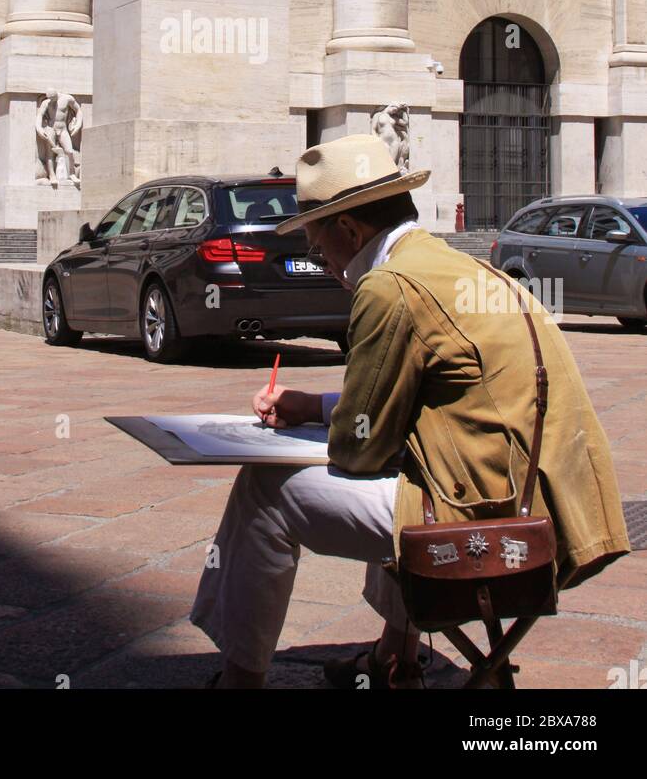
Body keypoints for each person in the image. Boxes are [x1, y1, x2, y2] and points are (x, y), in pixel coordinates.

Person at [190, 134, 631, 689]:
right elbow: (423, 401)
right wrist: (314, 405)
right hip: (545, 499)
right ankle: (395, 658)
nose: (318, 259)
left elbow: (360, 446)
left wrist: (324, 426)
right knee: (406, 472)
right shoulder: (449, 266)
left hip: (484, 514)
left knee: (265, 487)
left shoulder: (389, 286)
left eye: (315, 243)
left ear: (348, 230)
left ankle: (240, 679)